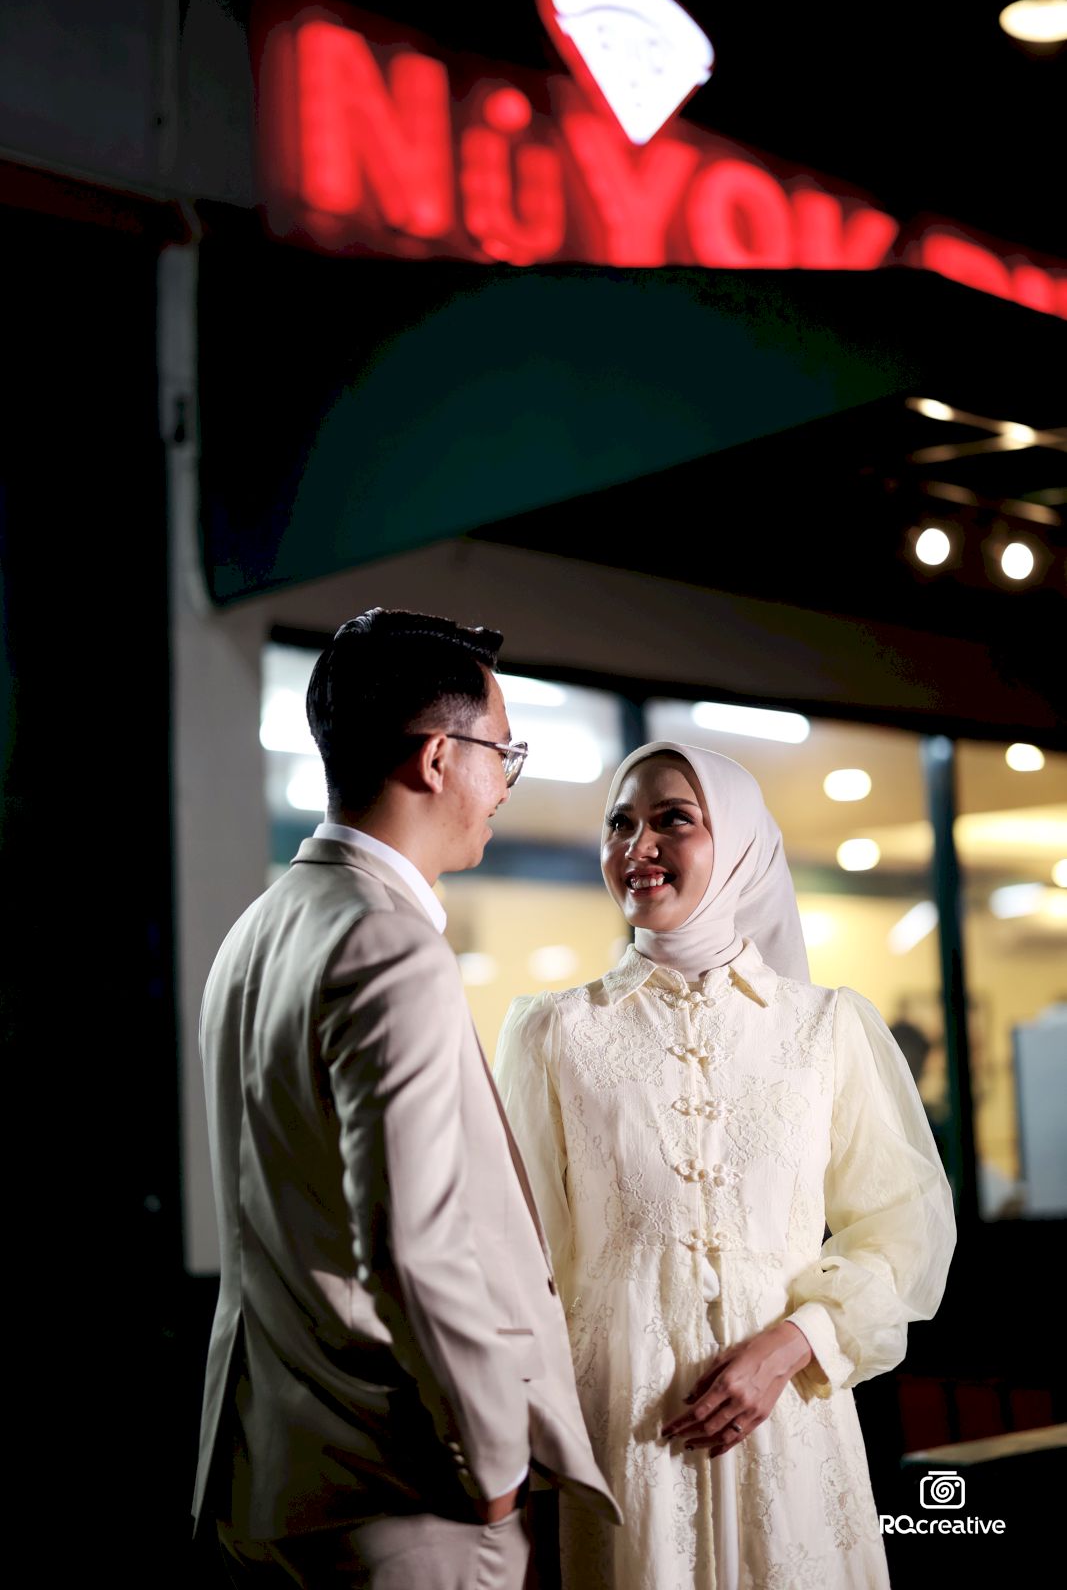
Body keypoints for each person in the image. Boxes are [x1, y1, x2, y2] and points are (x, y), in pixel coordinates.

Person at [193, 609, 618, 1589]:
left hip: (267, 1469)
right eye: (502, 753)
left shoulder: (259, 928)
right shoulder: (387, 942)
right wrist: (493, 1463)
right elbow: (413, 1246)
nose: (503, 784)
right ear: (436, 758)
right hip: (397, 1489)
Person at [495, 740, 956, 1589]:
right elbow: (519, 1259)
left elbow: (902, 1230)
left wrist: (793, 1344)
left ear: (739, 843)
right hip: (626, 1429)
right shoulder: (552, 1032)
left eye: (672, 820)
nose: (638, 847)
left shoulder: (825, 1026)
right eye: (619, 824)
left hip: (793, 1419)